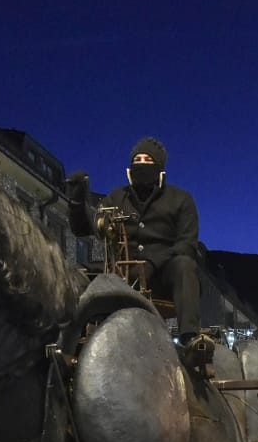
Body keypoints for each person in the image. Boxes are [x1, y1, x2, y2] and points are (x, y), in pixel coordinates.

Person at [66, 137, 209, 362]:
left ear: (160, 167)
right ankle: (67, 341)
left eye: (148, 159)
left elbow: (187, 245)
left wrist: (152, 263)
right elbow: (88, 228)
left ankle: (190, 338)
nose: (141, 163)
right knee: (77, 276)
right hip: (121, 274)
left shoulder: (181, 199)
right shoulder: (116, 197)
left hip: (163, 277)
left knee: (185, 265)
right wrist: (76, 202)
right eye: (137, 159)